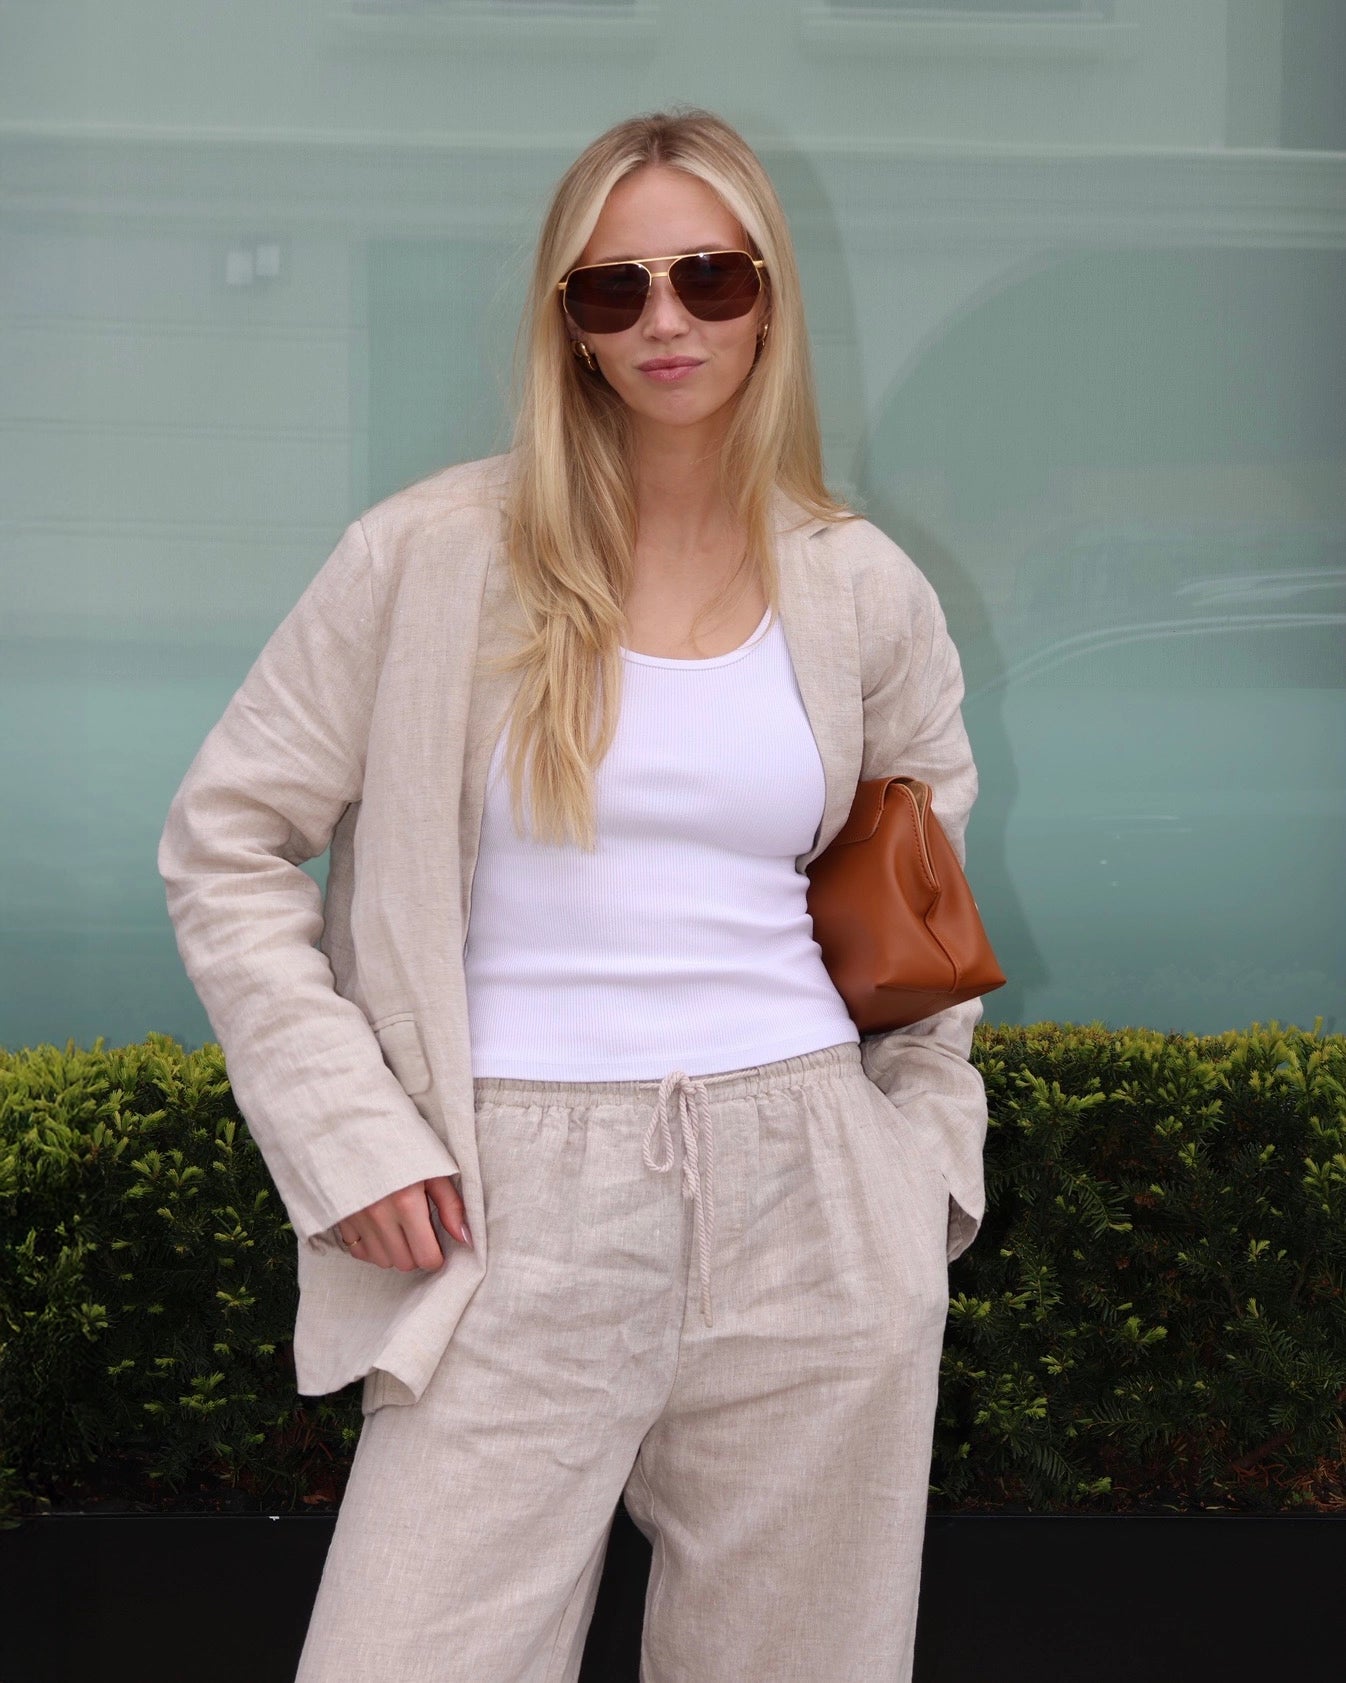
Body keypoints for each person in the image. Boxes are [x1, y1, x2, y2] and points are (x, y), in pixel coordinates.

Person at [159, 106, 988, 1683]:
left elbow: (918, 921)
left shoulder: (858, 582)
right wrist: (346, 1135)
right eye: (614, 291)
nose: (664, 320)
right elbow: (226, 840)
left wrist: (916, 1171)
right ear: (570, 327)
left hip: (812, 1189)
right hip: (511, 1194)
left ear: (767, 297)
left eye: (705, 278)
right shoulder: (426, 557)